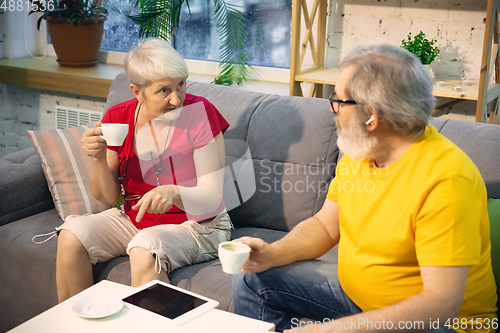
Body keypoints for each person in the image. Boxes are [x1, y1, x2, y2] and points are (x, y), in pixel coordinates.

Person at [232, 44, 497, 333]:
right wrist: (273, 253)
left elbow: (441, 305)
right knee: (253, 278)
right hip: (361, 302)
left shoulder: (446, 180)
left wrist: (328, 330)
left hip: (443, 325)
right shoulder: (362, 152)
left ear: (370, 116)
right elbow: (325, 226)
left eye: (338, 101)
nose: (333, 110)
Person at [56, 38, 232, 302]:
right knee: (72, 236)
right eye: (164, 91)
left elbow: (211, 196)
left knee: (144, 248)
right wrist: (98, 159)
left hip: (200, 224)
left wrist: (173, 192)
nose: (177, 98)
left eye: (181, 85)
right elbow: (105, 196)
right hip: (136, 219)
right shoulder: (118, 118)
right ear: (137, 92)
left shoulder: (200, 113)